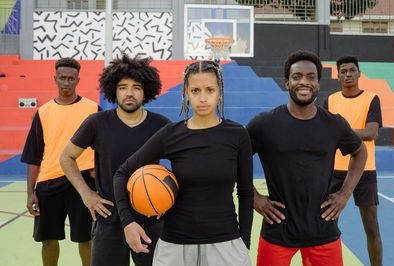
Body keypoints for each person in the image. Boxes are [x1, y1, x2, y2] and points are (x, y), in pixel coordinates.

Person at [113, 60, 254, 266]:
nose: (203, 98)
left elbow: (245, 192)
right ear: (186, 93)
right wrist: (128, 223)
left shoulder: (237, 134)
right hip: (175, 245)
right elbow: (122, 173)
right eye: (195, 90)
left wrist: (244, 242)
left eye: (210, 90)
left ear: (220, 91)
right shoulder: (172, 134)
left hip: (226, 242)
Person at [246, 50, 368, 266]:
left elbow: (360, 152)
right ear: (286, 83)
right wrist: (254, 198)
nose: (304, 82)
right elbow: (236, 158)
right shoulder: (264, 124)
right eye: (297, 77)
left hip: (323, 230)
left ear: (318, 83)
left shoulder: (334, 124)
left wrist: (343, 195)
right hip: (278, 231)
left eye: (311, 77)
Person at [59, 54, 171, 266]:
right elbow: (66, 157)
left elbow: (183, 162)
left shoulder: (160, 125)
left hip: (149, 217)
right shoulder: (97, 123)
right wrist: (86, 194)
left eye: (136, 87)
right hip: (109, 217)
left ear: (146, 90)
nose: (129, 93)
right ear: (113, 90)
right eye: (123, 87)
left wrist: (170, 199)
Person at [21, 57, 100, 266]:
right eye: (62, 78)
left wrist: (98, 173)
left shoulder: (93, 109)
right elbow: (33, 155)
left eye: (71, 78)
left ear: (78, 80)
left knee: (86, 239)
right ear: (55, 79)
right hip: (49, 183)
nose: (67, 82)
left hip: (83, 183)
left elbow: (105, 147)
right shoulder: (43, 112)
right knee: (47, 240)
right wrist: (30, 192)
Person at [323, 55, 383, 266]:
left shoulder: (371, 98)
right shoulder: (330, 101)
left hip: (365, 171)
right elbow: (322, 133)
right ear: (338, 75)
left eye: (352, 70)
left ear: (359, 73)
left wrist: (338, 132)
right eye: (343, 71)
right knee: (325, 226)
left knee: (372, 227)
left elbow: (371, 133)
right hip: (334, 171)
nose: (348, 74)